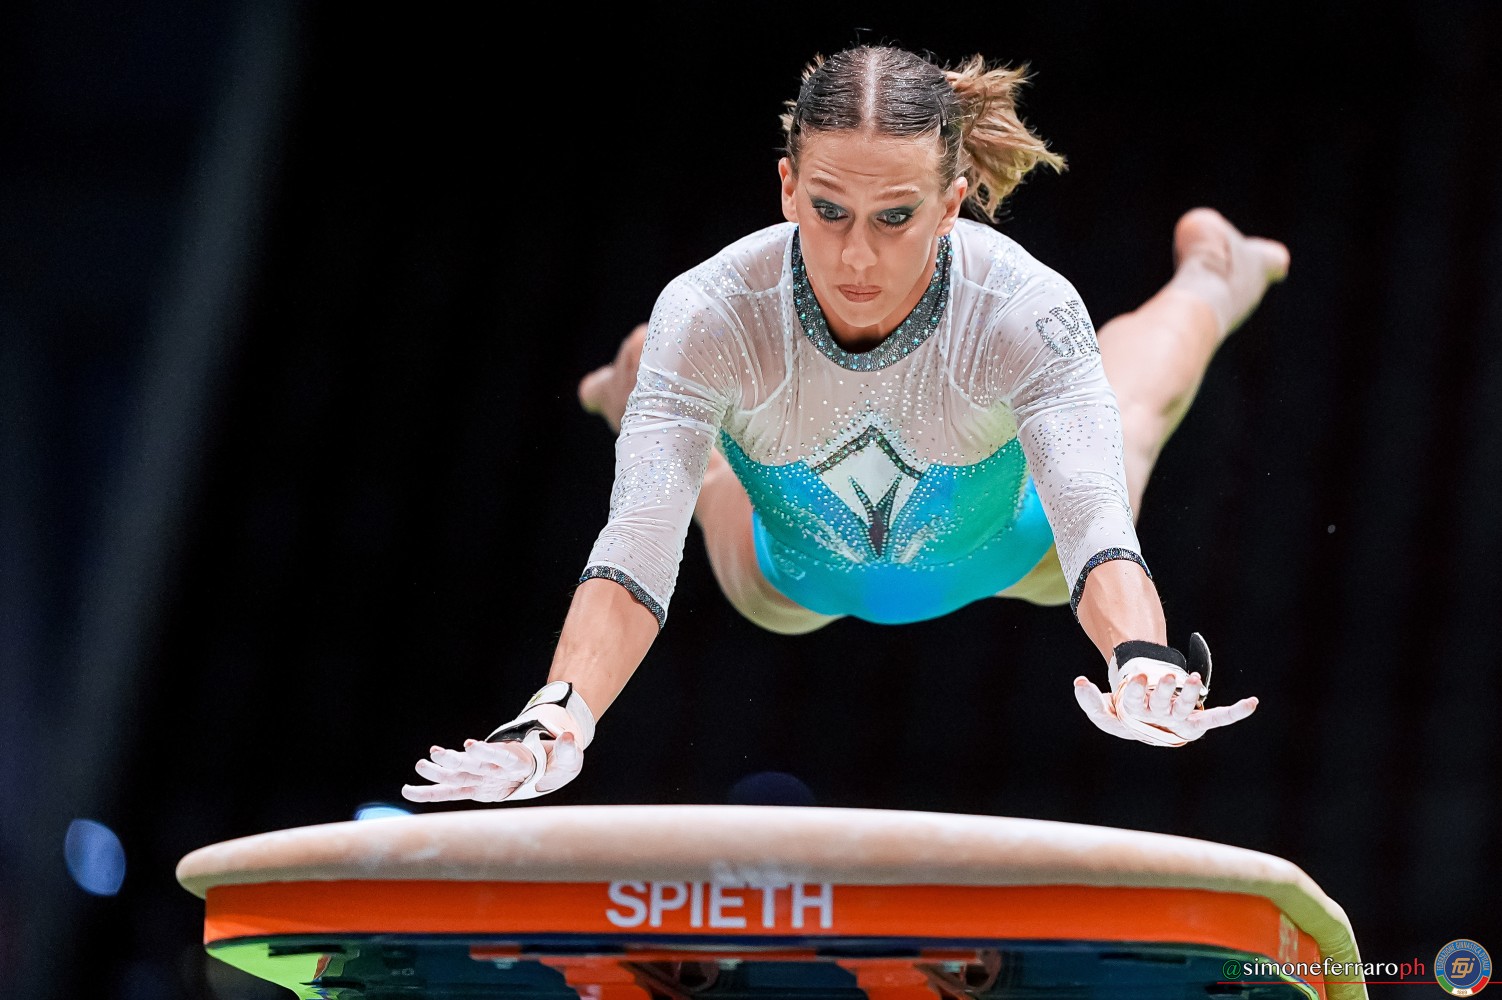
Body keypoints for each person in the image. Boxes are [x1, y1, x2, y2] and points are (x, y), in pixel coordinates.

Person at [402, 44, 1290, 805]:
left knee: (1126, 416)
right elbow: (636, 541)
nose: (857, 256)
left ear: (951, 204)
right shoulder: (714, 311)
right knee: (686, 430)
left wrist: (1141, 656)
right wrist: (559, 713)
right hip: (784, 580)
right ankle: (636, 381)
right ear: (787, 188)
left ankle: (1213, 278)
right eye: (829, 211)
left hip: (1031, 550)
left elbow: (1093, 516)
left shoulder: (1020, 307)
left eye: (896, 217)